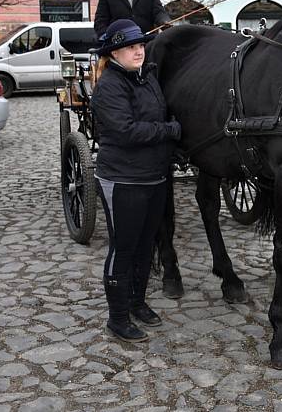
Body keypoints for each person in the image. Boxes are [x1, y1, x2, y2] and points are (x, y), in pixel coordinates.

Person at [91, 18, 181, 342]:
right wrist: (169, 131)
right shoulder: (110, 86)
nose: (138, 50)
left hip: (154, 177)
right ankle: (117, 318)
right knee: (124, 248)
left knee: (146, 246)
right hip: (123, 180)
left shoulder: (147, 78)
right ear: (114, 52)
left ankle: (137, 302)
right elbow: (126, 131)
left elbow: (159, 113)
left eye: (141, 44)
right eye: (130, 46)